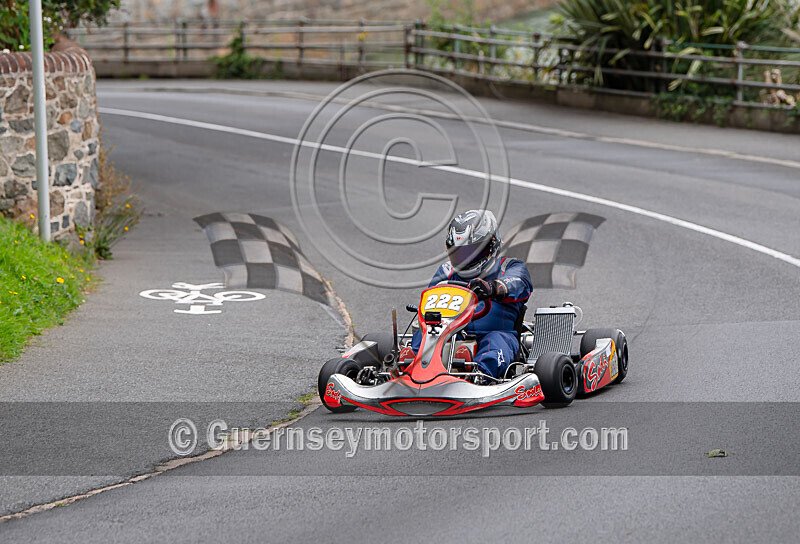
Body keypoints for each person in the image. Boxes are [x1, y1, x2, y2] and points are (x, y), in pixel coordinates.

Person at [410, 210, 533, 379]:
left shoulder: (510, 267)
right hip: (451, 333)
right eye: (459, 253)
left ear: (491, 246)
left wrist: (493, 288)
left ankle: (479, 375)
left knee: (495, 344)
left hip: (495, 332)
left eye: (472, 252)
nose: (464, 260)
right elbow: (429, 304)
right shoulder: (446, 271)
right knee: (424, 335)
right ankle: (410, 366)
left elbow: (520, 283)